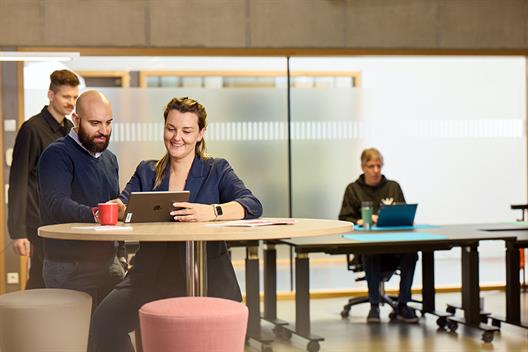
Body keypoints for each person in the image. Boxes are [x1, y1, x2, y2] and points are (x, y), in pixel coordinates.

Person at [91, 97, 263, 352]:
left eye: (186, 130)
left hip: (208, 276)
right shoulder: (147, 171)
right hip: (150, 275)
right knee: (104, 322)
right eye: (171, 128)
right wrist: (118, 207)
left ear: (201, 133)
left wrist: (212, 212)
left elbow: (252, 205)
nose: (177, 137)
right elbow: (125, 204)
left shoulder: (216, 169)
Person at [38, 90, 125, 308]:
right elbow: (56, 204)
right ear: (76, 119)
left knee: (112, 333)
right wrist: (97, 215)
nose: (103, 131)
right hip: (69, 265)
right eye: (95, 123)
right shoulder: (56, 154)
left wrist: (121, 254)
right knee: (76, 338)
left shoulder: (110, 159)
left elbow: (113, 206)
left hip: (109, 262)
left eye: (108, 123)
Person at [8, 69, 79, 289]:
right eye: (66, 97)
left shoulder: (70, 130)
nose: (71, 103)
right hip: (36, 221)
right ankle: (29, 323)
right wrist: (17, 232)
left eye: (75, 97)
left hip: (64, 221)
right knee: (41, 277)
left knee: (62, 278)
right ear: (51, 95)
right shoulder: (31, 129)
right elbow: (18, 181)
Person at [338, 148, 419, 323]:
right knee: (371, 251)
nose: (375, 170)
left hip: (394, 248)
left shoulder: (393, 187)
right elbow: (344, 219)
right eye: (371, 166)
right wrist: (362, 220)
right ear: (363, 167)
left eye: (378, 166)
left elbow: (403, 214)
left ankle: (403, 303)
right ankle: (374, 305)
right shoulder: (353, 189)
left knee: (411, 253)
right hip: (366, 249)